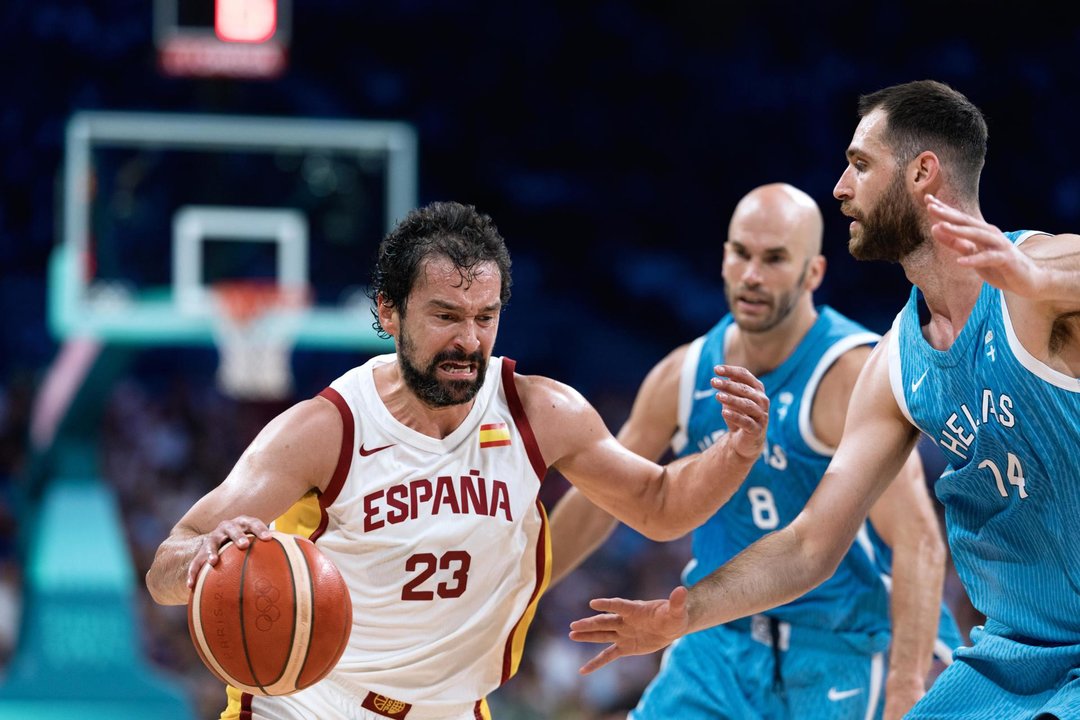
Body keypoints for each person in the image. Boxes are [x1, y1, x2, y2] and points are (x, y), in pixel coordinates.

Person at [568, 80, 1080, 719]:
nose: (840, 187)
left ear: (923, 173)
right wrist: (684, 614)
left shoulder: (1038, 279)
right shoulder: (894, 360)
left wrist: (1039, 281)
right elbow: (810, 544)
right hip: (1014, 654)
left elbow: (1064, 268)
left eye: (861, 165)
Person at [145, 200, 771, 720]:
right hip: (308, 703)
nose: (468, 341)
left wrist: (737, 453)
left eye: (485, 317)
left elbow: (661, 506)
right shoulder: (325, 429)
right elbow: (168, 564)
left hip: (453, 708)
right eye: (445, 316)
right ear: (389, 312)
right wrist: (203, 559)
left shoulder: (540, 413)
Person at [550, 183, 960, 720]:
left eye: (774, 259)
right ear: (723, 257)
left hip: (838, 646)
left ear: (812, 273)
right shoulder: (683, 374)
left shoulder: (850, 373)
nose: (751, 275)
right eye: (741, 253)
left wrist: (905, 689)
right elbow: (600, 497)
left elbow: (919, 542)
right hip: (717, 643)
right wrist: (515, 592)